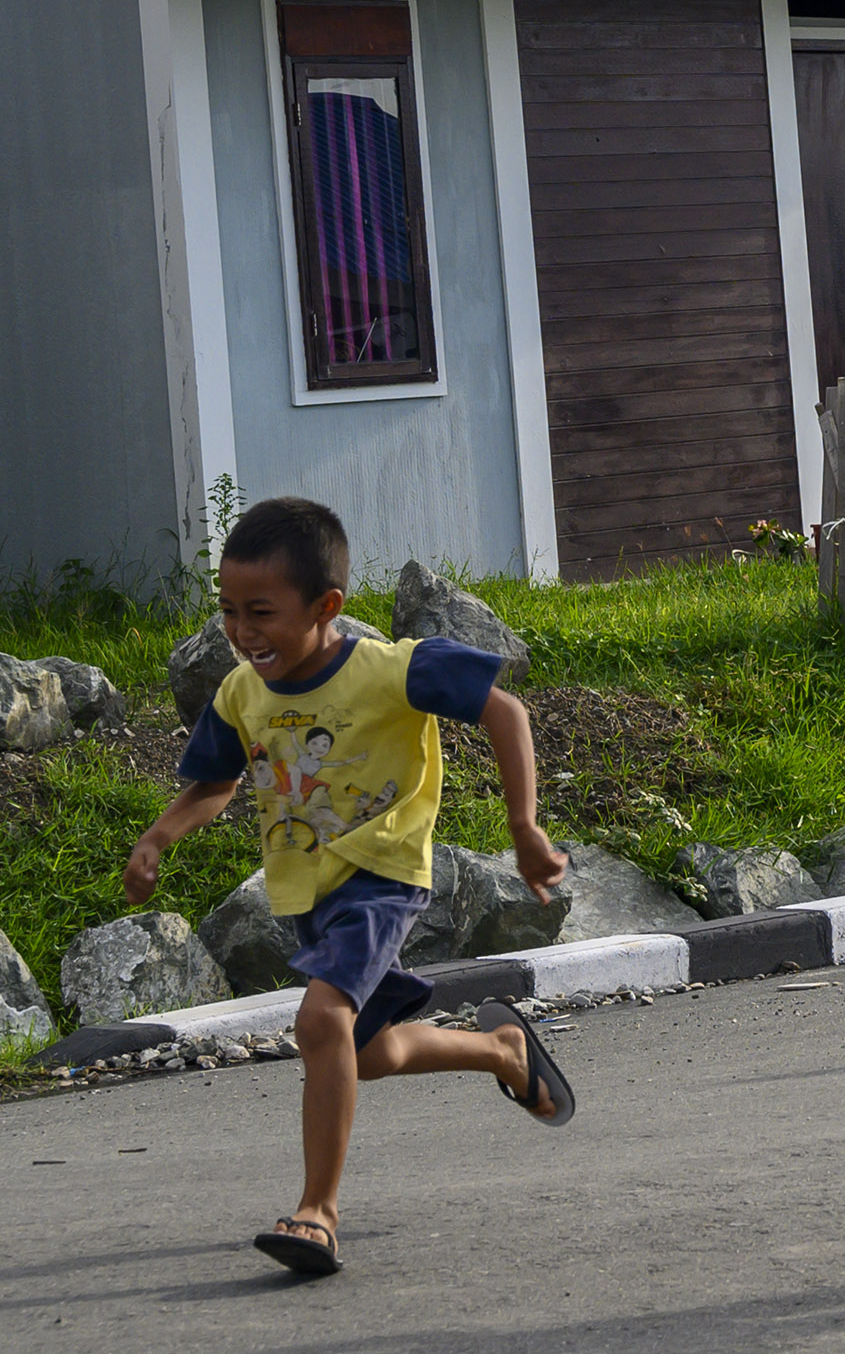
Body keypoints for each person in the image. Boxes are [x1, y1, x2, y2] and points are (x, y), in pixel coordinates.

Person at [117, 496, 573, 1277]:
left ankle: (316, 1213)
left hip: (383, 873)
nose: (241, 630)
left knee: (320, 1021)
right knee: (363, 1052)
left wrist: (525, 827)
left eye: (261, 612)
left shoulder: (392, 668)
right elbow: (215, 783)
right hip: (307, 893)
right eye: (228, 610)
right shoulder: (241, 694)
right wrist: (161, 835)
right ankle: (501, 1050)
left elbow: (506, 712)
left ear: (327, 606)